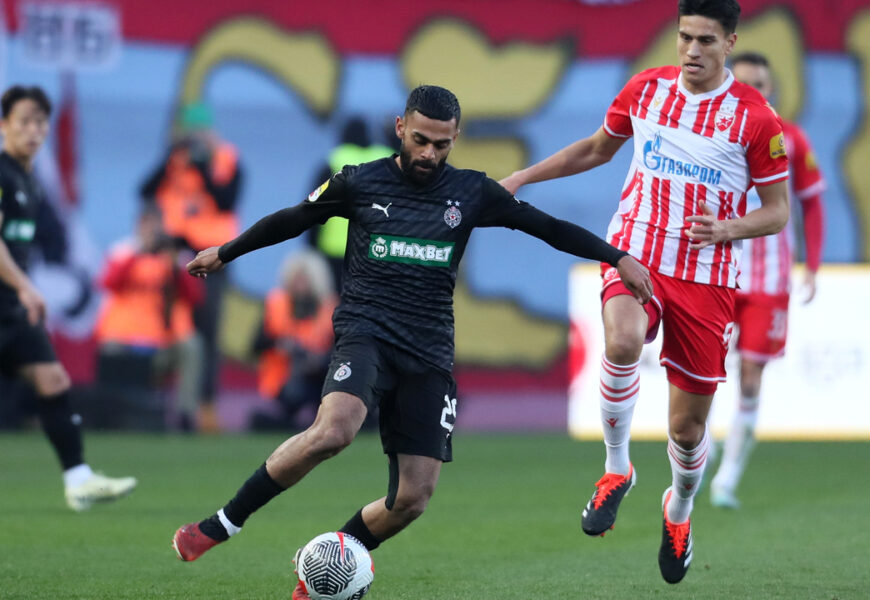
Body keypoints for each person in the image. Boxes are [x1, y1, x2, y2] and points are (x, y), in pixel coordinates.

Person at [170, 85, 652, 598]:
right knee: (334, 430)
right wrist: (227, 251)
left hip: (428, 351)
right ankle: (221, 524)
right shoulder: (359, 181)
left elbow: (548, 227)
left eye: (441, 145)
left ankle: (328, 565)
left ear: (455, 139)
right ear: (401, 128)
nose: (429, 154)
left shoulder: (470, 191)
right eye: (420, 140)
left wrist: (617, 256)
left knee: (412, 499)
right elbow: (294, 218)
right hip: (366, 331)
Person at [500, 0, 789, 584]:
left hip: (706, 279)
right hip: (637, 251)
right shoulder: (647, 90)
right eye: (685, 37)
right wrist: (522, 178)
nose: (691, 51)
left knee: (686, 431)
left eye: (706, 40)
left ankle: (678, 509)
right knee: (624, 338)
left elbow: (779, 212)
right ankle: (615, 469)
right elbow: (595, 149)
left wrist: (729, 228)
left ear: (729, 43)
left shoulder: (756, 121)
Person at [0, 85, 137, 510]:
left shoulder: (30, 181)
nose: (34, 130)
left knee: (53, 380)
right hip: (11, 297)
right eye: (24, 120)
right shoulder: (3, 174)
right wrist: (25, 285)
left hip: (12, 306)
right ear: (4, 125)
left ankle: (78, 481)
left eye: (41, 122)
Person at [707, 51, 825, 509]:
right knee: (707, 367)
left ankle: (728, 478)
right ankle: (704, 445)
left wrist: (812, 265)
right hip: (719, 271)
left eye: (761, 83)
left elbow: (812, 203)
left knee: (751, 376)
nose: (753, 90)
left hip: (770, 278)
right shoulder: (712, 133)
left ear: (771, 89)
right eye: (746, 82)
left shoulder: (791, 140)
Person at [140, 101, 243, 431]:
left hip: (214, 258)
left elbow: (226, 199)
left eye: (201, 130)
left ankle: (205, 407)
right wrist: (172, 156)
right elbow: (145, 191)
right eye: (190, 130)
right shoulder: (176, 160)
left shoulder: (226, 159)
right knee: (170, 330)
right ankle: (159, 406)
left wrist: (202, 166)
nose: (195, 137)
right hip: (177, 257)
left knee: (208, 334)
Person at [94, 205, 204, 430]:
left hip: (161, 342)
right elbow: (108, 283)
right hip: (125, 339)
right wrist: (138, 251)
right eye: (146, 225)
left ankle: (186, 415)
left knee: (192, 347)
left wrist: (175, 267)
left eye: (155, 226)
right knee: (109, 349)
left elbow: (195, 297)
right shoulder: (123, 250)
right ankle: (110, 414)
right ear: (138, 227)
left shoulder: (175, 255)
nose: (151, 231)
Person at [250, 249, 337, 431]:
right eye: (296, 279)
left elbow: (341, 349)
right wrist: (279, 344)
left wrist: (318, 359)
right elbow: (255, 346)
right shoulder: (276, 304)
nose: (300, 285)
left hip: (320, 377)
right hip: (284, 379)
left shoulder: (329, 307)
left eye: (304, 280)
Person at [307, 116, 395, 294]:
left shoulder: (334, 161)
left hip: (335, 252)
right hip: (377, 251)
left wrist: (311, 246)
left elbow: (312, 209)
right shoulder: (386, 160)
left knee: (337, 308)